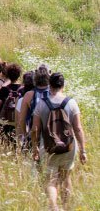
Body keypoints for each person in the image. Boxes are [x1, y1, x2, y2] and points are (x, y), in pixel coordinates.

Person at [31, 73, 86, 210]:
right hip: (69, 147)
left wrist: (35, 147)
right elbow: (78, 128)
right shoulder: (71, 103)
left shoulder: (41, 104)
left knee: (51, 181)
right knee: (66, 178)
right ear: (63, 85)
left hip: (49, 148)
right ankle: (66, 207)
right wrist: (83, 150)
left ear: (50, 85)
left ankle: (54, 207)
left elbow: (35, 129)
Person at [0, 63, 22, 147]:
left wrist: (1, 118)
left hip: (5, 123)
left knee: (5, 146)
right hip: (18, 123)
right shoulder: (23, 89)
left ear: (7, 74)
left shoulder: (4, 89)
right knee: (18, 147)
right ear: (19, 75)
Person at [15, 71, 36, 152]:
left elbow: (18, 122)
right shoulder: (40, 99)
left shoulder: (20, 100)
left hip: (27, 136)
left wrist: (23, 136)